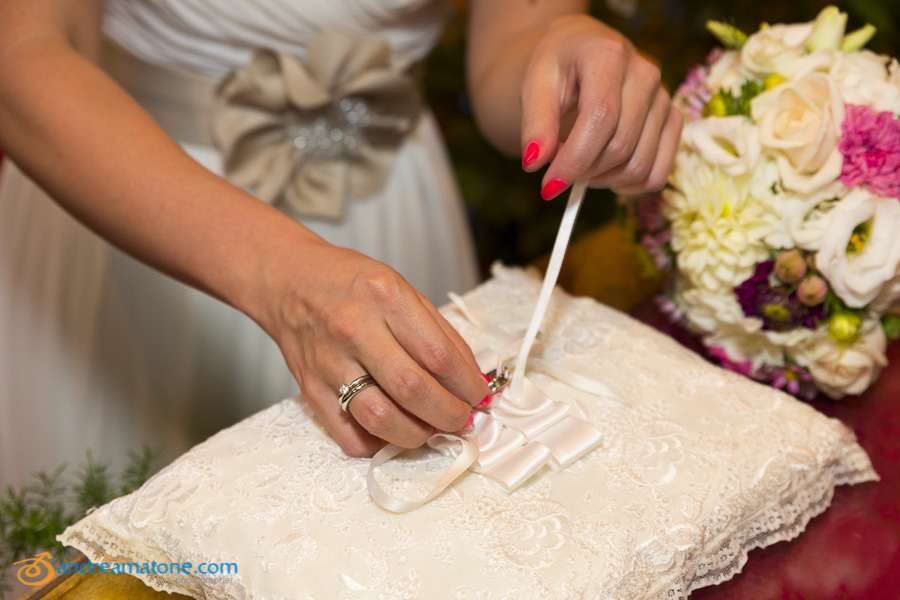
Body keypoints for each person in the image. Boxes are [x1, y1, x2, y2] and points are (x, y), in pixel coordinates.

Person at [0, 0, 681, 487]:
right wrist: (283, 278)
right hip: (131, 206)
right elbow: (24, 50)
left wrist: (559, 49)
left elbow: (516, 32)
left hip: (388, 211)